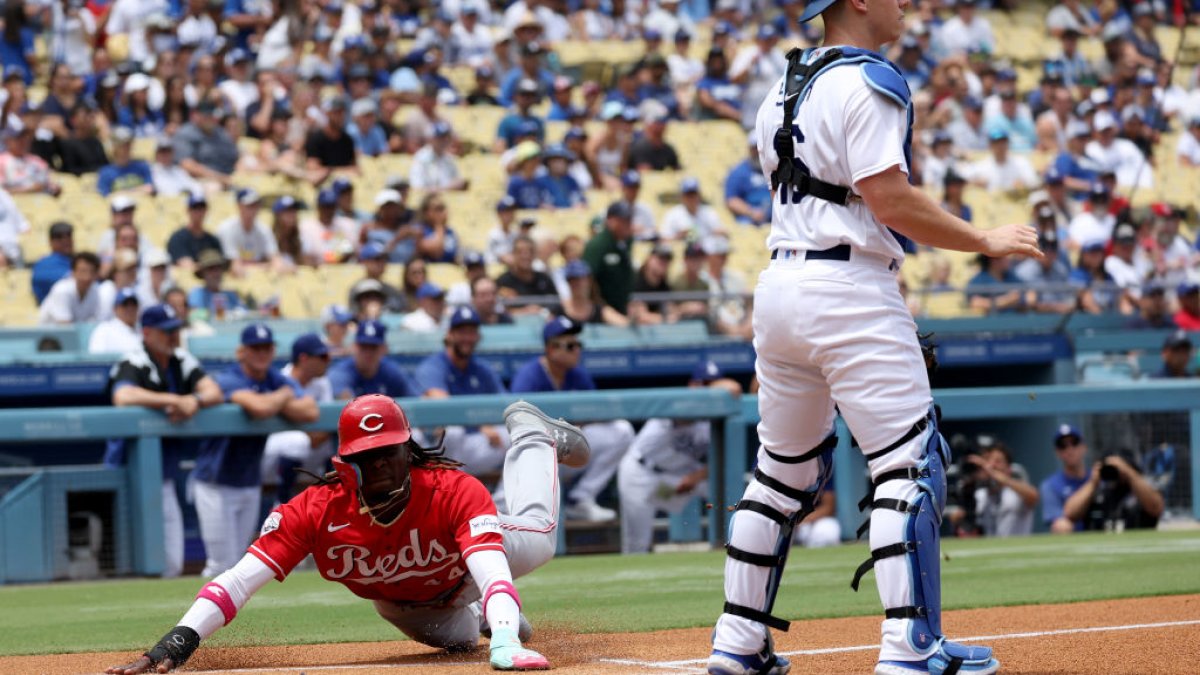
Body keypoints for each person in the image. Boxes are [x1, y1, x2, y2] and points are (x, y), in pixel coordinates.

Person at [709, 1, 1039, 673]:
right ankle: (911, 644)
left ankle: (738, 642)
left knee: (781, 472)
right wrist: (982, 239)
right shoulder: (870, 79)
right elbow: (887, 200)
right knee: (908, 463)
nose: (908, 5)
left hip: (779, 286)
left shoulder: (782, 88)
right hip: (849, 286)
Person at [104, 396, 589, 674]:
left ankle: (531, 435)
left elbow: (491, 569)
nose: (379, 463)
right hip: (409, 602)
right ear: (344, 463)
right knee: (460, 644)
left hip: (471, 559)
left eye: (389, 451)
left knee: (540, 538)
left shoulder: (450, 490)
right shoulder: (315, 512)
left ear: (408, 450)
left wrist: (505, 641)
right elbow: (237, 582)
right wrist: (177, 642)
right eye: (367, 455)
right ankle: (487, 616)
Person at [105, 303, 222, 579]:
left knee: (169, 561)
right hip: (126, 473)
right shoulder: (133, 360)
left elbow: (214, 391)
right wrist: (173, 400)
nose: (173, 336)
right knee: (122, 556)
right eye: (166, 331)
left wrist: (195, 400)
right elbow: (123, 396)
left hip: (163, 473)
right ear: (147, 333)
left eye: (175, 330)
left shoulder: (181, 359)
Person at [194, 323, 319, 577]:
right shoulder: (231, 377)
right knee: (220, 564)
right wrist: (283, 397)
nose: (261, 353)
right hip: (215, 482)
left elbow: (310, 410)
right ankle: (194, 614)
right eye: (255, 348)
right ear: (242, 351)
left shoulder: (274, 379)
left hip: (248, 480)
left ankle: (221, 614)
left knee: (238, 563)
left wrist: (275, 398)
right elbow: (258, 408)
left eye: (266, 348)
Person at [510, 315, 634, 521]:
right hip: (533, 457)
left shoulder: (578, 375)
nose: (577, 350)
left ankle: (581, 498)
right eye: (570, 345)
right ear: (551, 349)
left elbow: (598, 412)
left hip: (565, 452)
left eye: (578, 344)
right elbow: (517, 419)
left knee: (622, 430)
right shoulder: (530, 375)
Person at [617, 360, 741, 552]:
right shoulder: (680, 404)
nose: (709, 391)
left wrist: (696, 476)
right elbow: (688, 415)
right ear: (692, 386)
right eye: (704, 384)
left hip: (675, 476)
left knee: (726, 490)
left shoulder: (715, 417)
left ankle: (734, 542)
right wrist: (710, 391)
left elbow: (734, 388)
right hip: (639, 473)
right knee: (637, 543)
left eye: (713, 384)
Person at [413, 306, 510, 476]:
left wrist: (488, 425)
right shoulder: (433, 366)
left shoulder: (482, 369)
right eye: (462, 332)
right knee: (453, 430)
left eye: (471, 332)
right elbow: (443, 405)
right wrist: (481, 424)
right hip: (436, 448)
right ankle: (453, 494)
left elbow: (505, 405)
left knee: (516, 436)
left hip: (474, 444)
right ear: (450, 334)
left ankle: (500, 502)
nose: (467, 338)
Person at [262, 333, 335, 506]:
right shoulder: (280, 379)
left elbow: (328, 423)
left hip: (309, 448)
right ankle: (281, 501)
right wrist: (310, 431)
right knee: (297, 441)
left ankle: (331, 501)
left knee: (335, 445)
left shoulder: (322, 382)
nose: (328, 361)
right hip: (272, 454)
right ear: (304, 359)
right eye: (322, 356)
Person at [1062, 448, 1164, 532]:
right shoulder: (1096, 490)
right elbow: (1069, 513)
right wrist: (1092, 483)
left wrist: (1129, 472)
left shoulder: (1140, 490)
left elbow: (1156, 508)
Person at [327, 319, 421, 400]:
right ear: (354, 347)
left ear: (384, 349)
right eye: (364, 347)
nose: (368, 353)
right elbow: (343, 404)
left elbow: (416, 401)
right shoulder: (342, 372)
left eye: (373, 347)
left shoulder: (391, 371)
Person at [968, 441, 1038, 537]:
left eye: (998, 461)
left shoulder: (1016, 493)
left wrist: (999, 477)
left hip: (1016, 548)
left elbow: (1034, 496)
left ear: (1009, 468)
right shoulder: (980, 495)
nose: (991, 466)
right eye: (987, 461)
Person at [582, 202, 635, 317]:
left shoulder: (626, 242)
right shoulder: (598, 245)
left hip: (622, 308)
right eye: (623, 220)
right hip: (602, 312)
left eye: (629, 220)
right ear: (610, 220)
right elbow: (588, 278)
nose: (628, 224)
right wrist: (600, 307)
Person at [1039, 425, 1093, 534]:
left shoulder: (1101, 477)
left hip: (1105, 534)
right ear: (1057, 452)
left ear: (1084, 447)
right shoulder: (1050, 485)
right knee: (1062, 526)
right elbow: (1061, 523)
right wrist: (1093, 484)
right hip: (1074, 539)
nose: (1069, 449)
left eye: (1074, 443)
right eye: (1062, 446)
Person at [39, 251, 107, 324]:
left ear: (96, 274)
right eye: (82, 271)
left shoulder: (96, 291)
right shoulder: (62, 290)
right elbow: (65, 326)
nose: (87, 277)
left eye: (91, 272)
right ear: (73, 272)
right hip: (49, 334)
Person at [725, 134, 773, 226]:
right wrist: (751, 212)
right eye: (755, 148)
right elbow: (731, 200)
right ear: (750, 149)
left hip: (774, 219)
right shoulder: (739, 172)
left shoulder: (774, 168)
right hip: (750, 220)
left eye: (761, 147)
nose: (758, 152)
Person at [661, 178, 728, 242]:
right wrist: (680, 236)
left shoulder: (709, 212)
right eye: (688, 195)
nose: (691, 198)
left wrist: (710, 234)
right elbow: (664, 238)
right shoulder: (673, 214)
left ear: (699, 195)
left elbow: (723, 232)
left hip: (706, 249)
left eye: (693, 194)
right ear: (682, 196)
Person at [166, 193, 222, 269]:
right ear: (188, 210)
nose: (199, 212)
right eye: (195, 208)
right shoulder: (178, 238)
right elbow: (186, 266)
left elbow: (220, 264)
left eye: (202, 208)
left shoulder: (212, 239)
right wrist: (209, 267)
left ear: (206, 210)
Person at [97, 127, 154, 196]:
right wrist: (139, 190)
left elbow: (149, 189)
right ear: (114, 146)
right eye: (122, 144)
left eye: (129, 143)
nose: (127, 147)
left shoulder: (142, 166)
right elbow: (106, 197)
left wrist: (121, 193)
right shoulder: (105, 172)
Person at [187, 249, 243, 318]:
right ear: (203, 273)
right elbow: (193, 315)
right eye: (211, 268)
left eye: (219, 267)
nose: (216, 273)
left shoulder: (230, 294)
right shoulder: (197, 294)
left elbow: (244, 312)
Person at [88, 287, 142, 354]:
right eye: (125, 305)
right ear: (115, 309)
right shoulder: (104, 330)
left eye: (133, 305)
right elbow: (96, 359)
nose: (130, 309)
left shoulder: (144, 331)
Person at [31, 221, 73, 303]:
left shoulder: (78, 260)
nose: (65, 240)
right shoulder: (44, 264)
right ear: (50, 241)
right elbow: (41, 279)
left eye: (69, 235)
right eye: (59, 237)